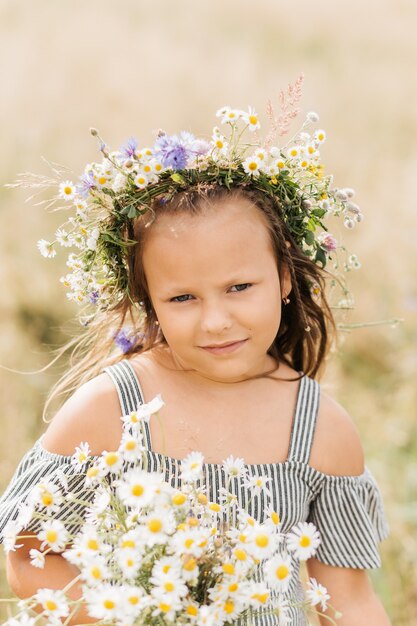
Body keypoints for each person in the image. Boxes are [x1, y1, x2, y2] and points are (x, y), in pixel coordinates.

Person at [0, 96, 391, 626]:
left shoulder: (319, 427)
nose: (215, 321)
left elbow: (347, 597)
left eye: (239, 287)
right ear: (149, 301)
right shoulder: (113, 408)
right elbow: (28, 552)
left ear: (283, 279)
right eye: (183, 298)